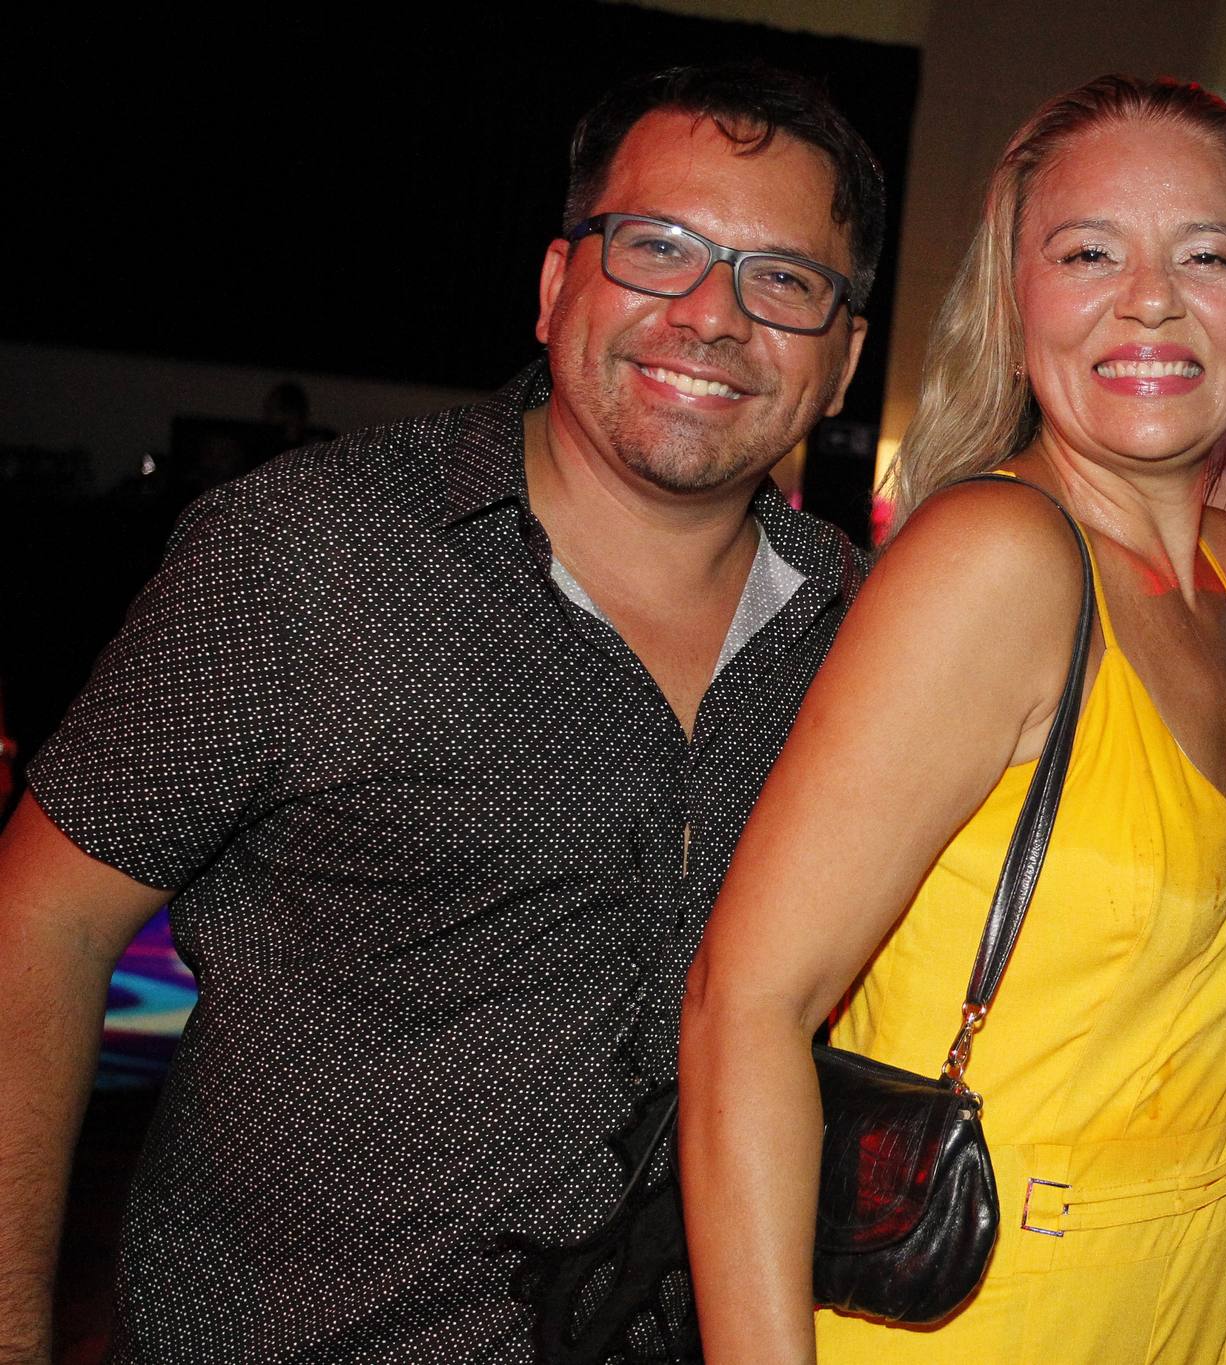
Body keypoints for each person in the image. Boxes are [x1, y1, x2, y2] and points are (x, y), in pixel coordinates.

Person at [0, 63, 881, 1363]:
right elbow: (43, 924)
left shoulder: (870, 640)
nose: (712, 314)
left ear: (843, 357)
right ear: (556, 285)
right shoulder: (309, 553)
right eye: (658, 247)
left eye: (785, 279)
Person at [678, 76, 1226, 1364]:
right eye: (1088, 253)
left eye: (1209, 255)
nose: (1151, 299)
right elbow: (744, 1009)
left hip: (1203, 1306)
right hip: (985, 1311)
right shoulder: (994, 558)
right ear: (1015, 301)